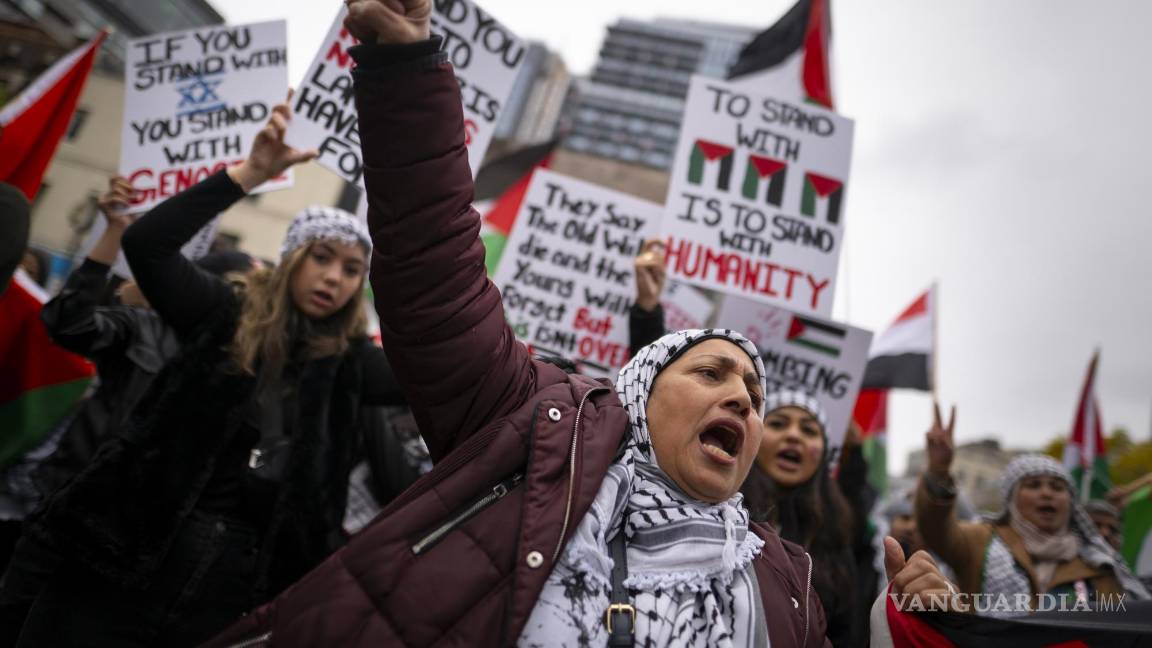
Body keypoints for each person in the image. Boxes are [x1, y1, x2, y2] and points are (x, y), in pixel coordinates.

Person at [206, 3, 834, 646]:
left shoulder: (790, 587)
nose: (743, 399)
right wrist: (404, 65)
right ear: (638, 396)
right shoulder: (539, 439)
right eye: (711, 373)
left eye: (755, 396)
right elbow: (439, 288)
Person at [12, 102, 407, 647]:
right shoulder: (223, 312)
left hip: (227, 603)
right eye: (322, 258)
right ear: (292, 258)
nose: (334, 277)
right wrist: (249, 175)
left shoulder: (352, 364)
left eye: (351, 270)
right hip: (118, 567)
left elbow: (438, 371)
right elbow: (147, 245)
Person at [916, 403, 1150, 616]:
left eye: (1057, 487)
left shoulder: (1098, 564)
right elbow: (935, 529)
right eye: (1034, 485)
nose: (1047, 493)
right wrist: (939, 473)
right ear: (1011, 499)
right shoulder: (979, 540)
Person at [741, 389, 863, 646]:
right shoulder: (723, 516)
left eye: (808, 430)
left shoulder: (836, 536)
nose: (794, 435)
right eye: (778, 424)